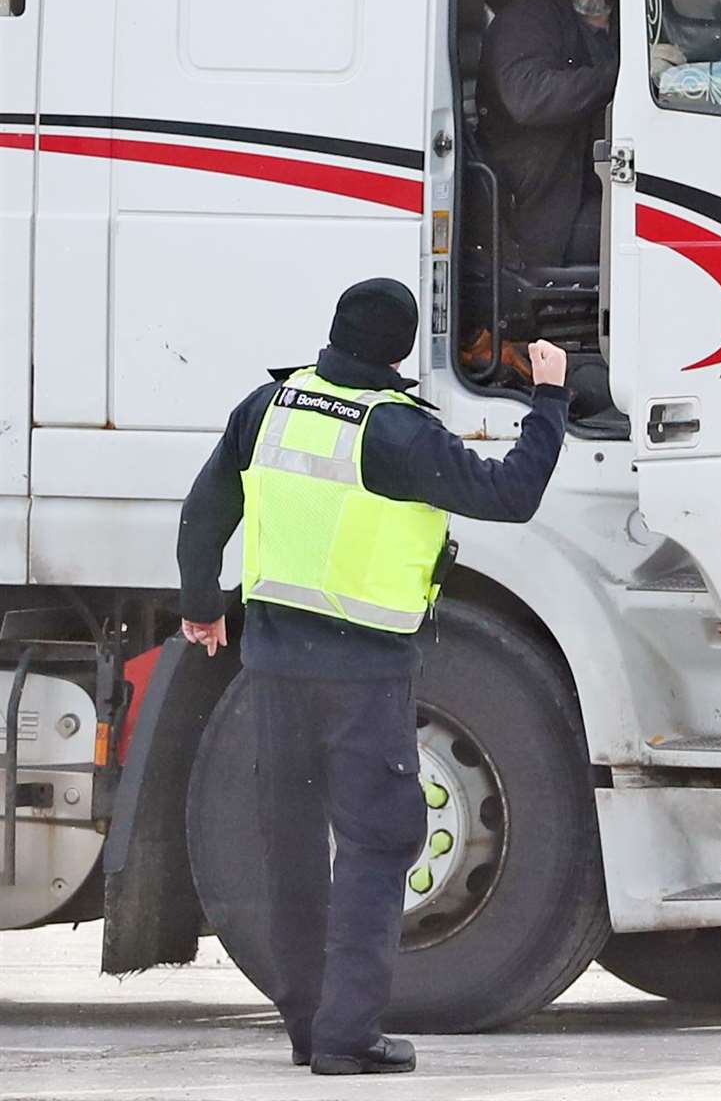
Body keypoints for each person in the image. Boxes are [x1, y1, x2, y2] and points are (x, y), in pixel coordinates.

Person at [176, 278, 570, 1076]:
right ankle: (346, 1037)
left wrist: (202, 603)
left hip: (275, 669)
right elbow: (511, 494)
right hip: (362, 678)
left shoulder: (269, 407)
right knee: (377, 842)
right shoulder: (397, 433)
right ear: (400, 350)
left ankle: (304, 1027)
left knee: (289, 847)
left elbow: (206, 507)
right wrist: (551, 398)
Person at [477, 0, 620, 267]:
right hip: (546, 215)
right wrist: (626, 74)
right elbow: (528, 97)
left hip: (603, 188)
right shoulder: (526, 21)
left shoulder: (627, 19)